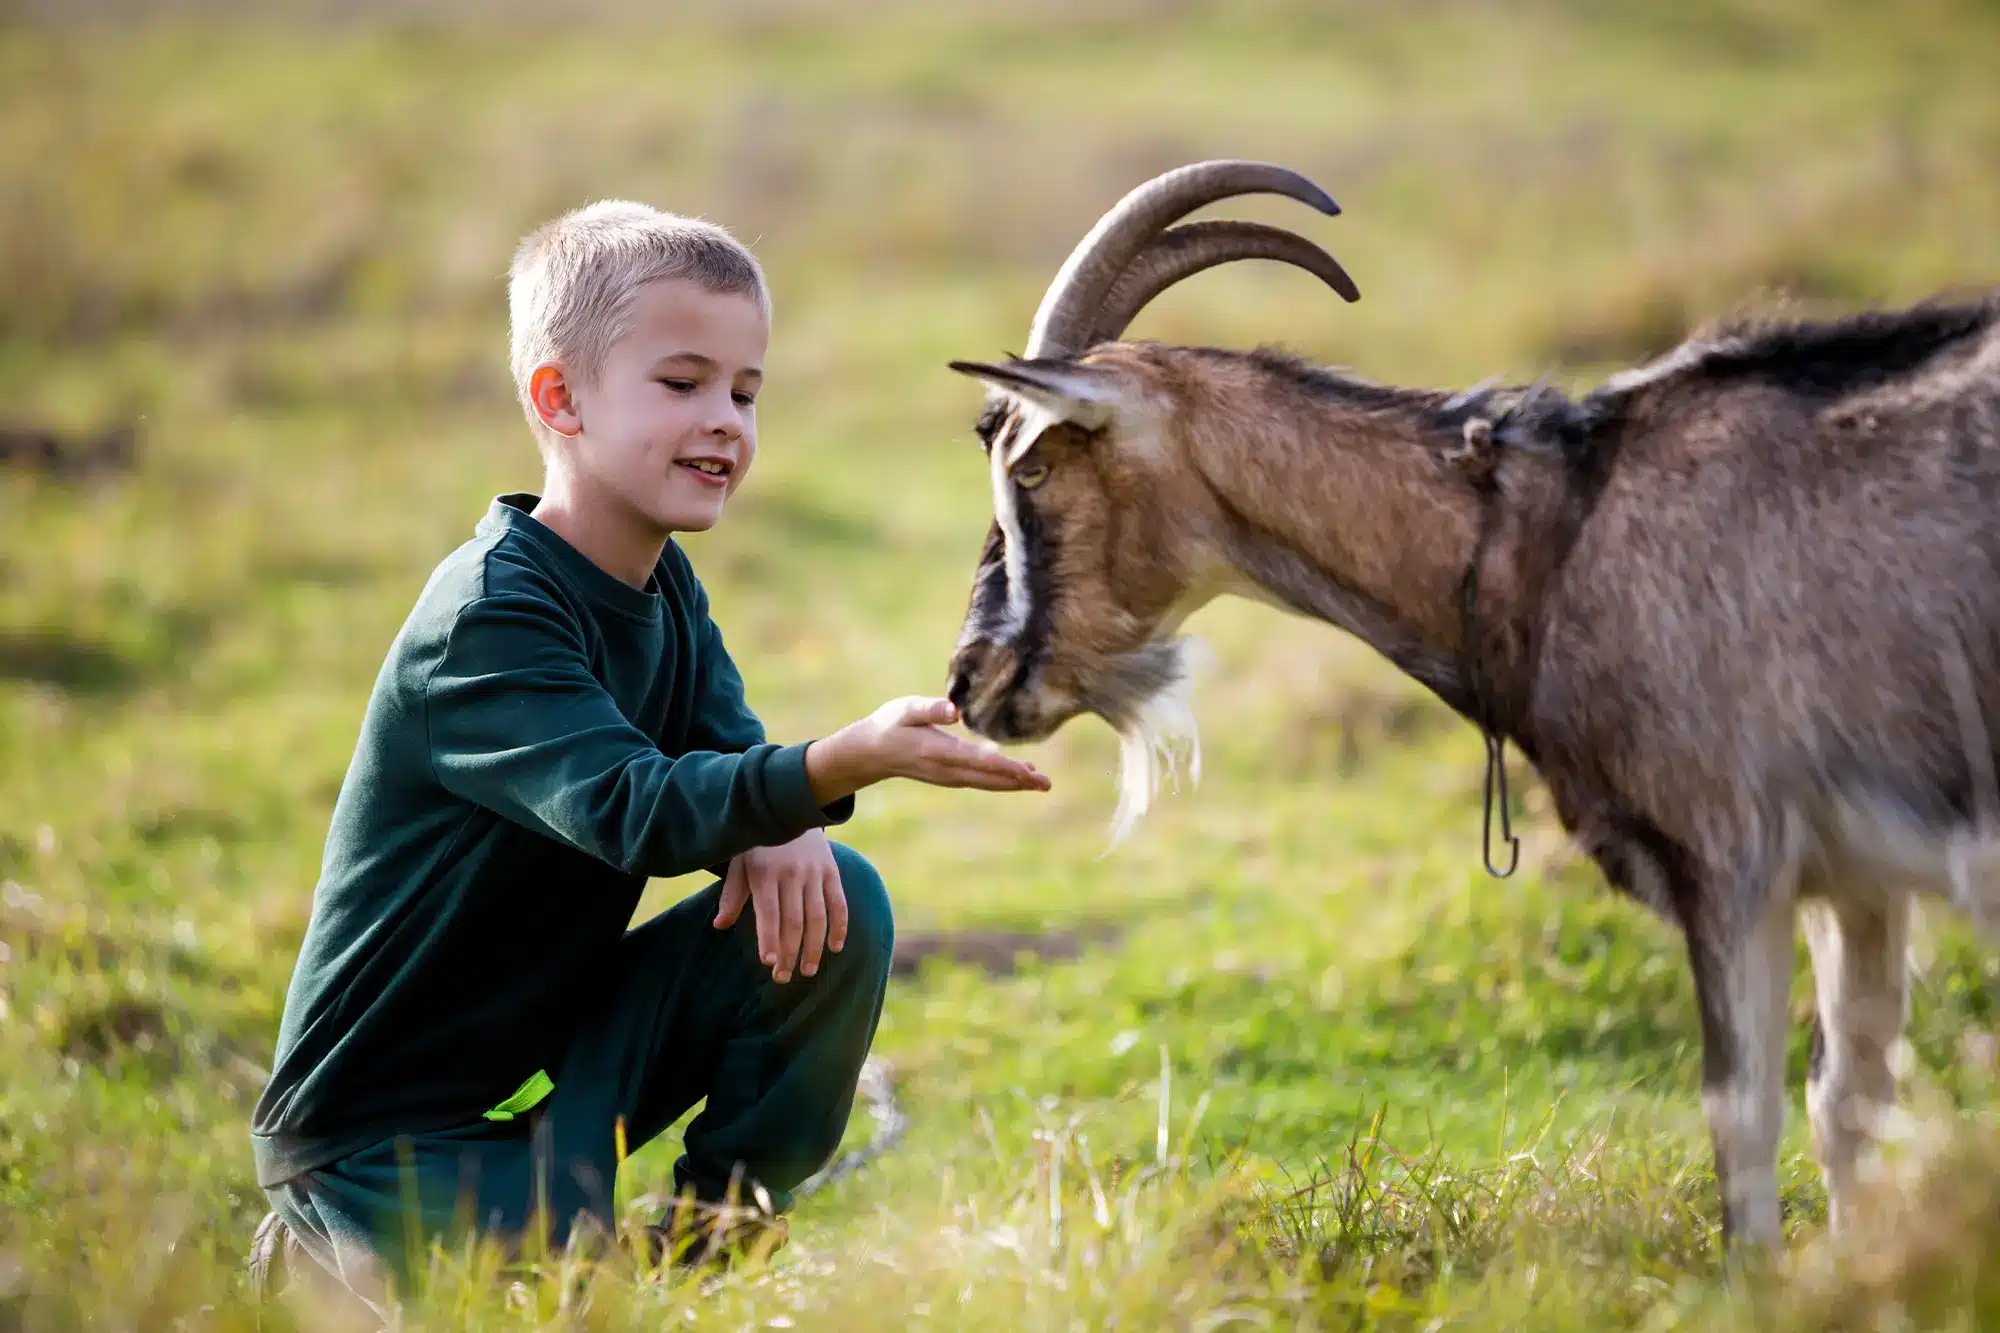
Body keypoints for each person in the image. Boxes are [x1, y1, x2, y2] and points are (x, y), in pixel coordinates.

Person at [246, 200, 1049, 1311]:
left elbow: (726, 752)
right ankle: (330, 1254)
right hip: (373, 1142)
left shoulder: (664, 588)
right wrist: (838, 763)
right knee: (548, 1293)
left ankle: (713, 1251)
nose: (724, 419)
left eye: (745, 391)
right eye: (682, 384)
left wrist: (781, 823)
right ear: (558, 398)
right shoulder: (488, 620)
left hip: (549, 1068)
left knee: (833, 899)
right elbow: (636, 809)